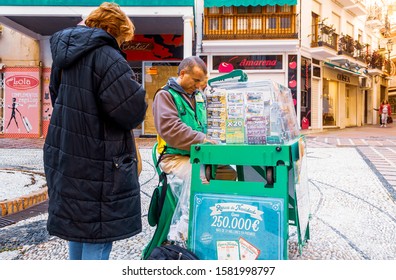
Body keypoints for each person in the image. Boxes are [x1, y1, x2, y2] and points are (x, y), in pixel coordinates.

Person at [43, 2, 147, 260]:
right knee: (99, 232)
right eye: (122, 38)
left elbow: (57, 98)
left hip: (66, 152)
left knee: (78, 227)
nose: (121, 44)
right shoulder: (107, 57)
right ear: (113, 29)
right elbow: (131, 111)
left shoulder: (64, 57)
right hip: (99, 158)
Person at [152, 56, 236, 245]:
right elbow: (171, 130)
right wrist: (202, 139)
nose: (199, 86)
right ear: (182, 74)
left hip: (199, 155)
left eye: (201, 82)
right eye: (196, 80)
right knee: (198, 175)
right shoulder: (165, 96)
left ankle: (214, 221)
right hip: (174, 157)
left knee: (229, 174)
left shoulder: (198, 95)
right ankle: (184, 235)